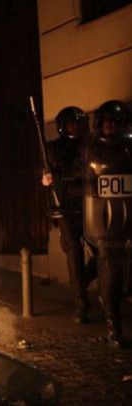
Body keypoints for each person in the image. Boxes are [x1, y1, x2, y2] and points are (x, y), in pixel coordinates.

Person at [83, 100, 132, 348]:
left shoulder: (130, 147)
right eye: (106, 123)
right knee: (111, 277)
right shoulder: (90, 150)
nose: (110, 127)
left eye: (114, 123)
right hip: (105, 226)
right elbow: (74, 177)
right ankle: (114, 328)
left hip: (129, 222)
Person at [41, 106, 96, 323]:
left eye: (76, 122)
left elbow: (84, 171)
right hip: (65, 208)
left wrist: (62, 177)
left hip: (91, 205)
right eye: (70, 123)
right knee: (74, 254)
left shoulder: (91, 146)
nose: (74, 127)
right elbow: (48, 173)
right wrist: (46, 178)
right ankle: (81, 304)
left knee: (102, 253)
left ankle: (82, 280)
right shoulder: (53, 148)